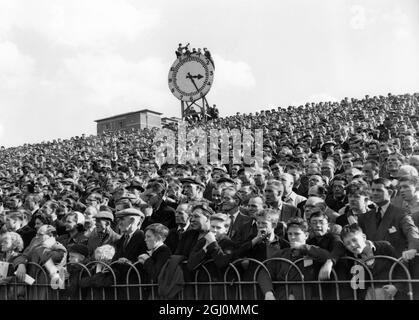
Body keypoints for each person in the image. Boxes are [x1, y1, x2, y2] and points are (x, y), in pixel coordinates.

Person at [258, 217, 331, 300]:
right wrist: (268, 293)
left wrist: (302, 247)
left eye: (297, 234)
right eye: (290, 234)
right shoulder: (281, 254)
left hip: (307, 295)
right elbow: (264, 272)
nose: (292, 237)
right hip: (282, 295)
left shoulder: (314, 250)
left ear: (306, 235)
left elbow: (327, 256)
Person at [358, 178, 419, 260]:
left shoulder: (400, 214)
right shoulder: (364, 217)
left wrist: (412, 249)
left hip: (395, 266)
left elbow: (411, 232)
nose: (375, 193)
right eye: (373, 190)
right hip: (372, 267)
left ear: (390, 192)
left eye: (379, 190)